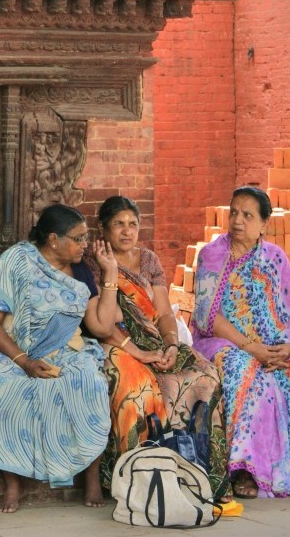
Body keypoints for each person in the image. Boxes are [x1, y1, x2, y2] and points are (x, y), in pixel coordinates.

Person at [191, 186, 290, 499]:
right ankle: (246, 471)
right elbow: (208, 318)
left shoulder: (275, 258)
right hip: (225, 342)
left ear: (263, 225)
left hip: (275, 344)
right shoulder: (212, 256)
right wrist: (251, 347)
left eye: (247, 215)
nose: (237, 221)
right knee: (246, 374)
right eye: (233, 212)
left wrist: (288, 346)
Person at [0, 203, 120, 512]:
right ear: (53, 239)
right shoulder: (16, 261)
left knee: (89, 383)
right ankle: (12, 483)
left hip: (65, 351)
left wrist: (110, 274)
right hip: (12, 352)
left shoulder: (80, 269)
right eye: (77, 239)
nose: (84, 245)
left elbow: (101, 326)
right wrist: (23, 361)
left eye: (85, 237)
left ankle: (91, 476)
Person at [84, 196, 228, 494]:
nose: (127, 231)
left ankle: (200, 476)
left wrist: (172, 345)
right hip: (115, 343)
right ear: (103, 228)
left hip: (154, 341)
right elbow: (100, 325)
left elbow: (163, 313)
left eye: (133, 224)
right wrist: (139, 353)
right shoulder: (91, 261)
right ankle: (138, 484)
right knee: (136, 386)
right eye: (118, 225)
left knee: (205, 377)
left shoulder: (148, 260)